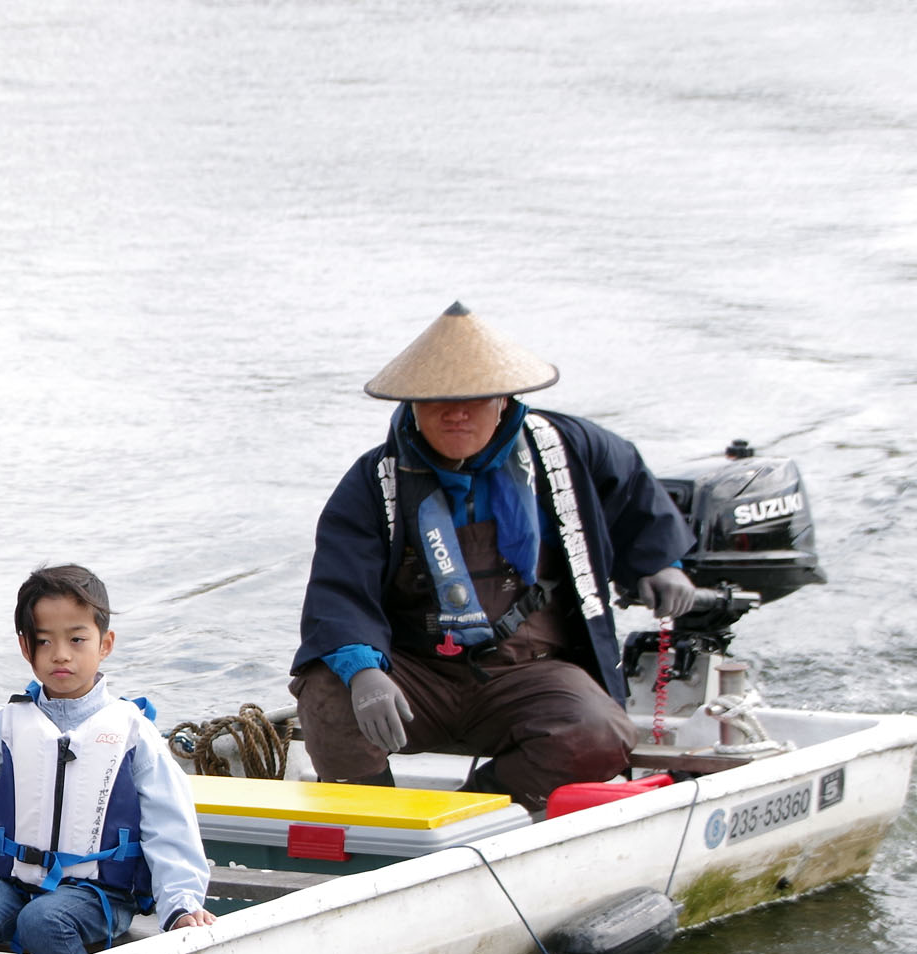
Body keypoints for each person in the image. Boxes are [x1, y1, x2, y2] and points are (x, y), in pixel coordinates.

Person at [291, 302, 697, 812]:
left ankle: (477, 811)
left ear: (504, 399)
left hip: (530, 671)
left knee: (599, 732)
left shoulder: (567, 448)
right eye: (438, 400)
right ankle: (376, 822)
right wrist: (364, 671)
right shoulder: (374, 480)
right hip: (418, 670)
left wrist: (661, 564)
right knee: (327, 692)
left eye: (474, 399)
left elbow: (635, 493)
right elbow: (338, 588)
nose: (456, 413)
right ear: (413, 404)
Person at [0, 566, 217, 954]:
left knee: (42, 922)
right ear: (24, 646)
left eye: (76, 639)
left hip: (100, 893)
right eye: (44, 641)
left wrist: (181, 905)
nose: (61, 654)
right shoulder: (9, 723)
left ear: (105, 644)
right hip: (18, 882)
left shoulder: (132, 729)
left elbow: (169, 824)